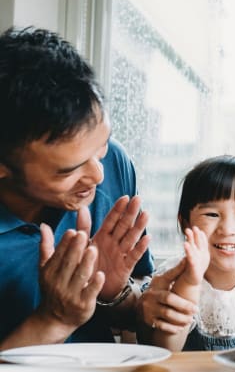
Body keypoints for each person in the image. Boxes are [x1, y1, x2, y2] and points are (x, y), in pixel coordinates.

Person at [0, 26, 154, 349]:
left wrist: (114, 292)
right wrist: (52, 320)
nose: (98, 175)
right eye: (68, 170)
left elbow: (136, 309)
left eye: (102, 146)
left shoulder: (115, 163)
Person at [138, 155, 235, 351]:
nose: (227, 229)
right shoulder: (171, 279)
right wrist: (189, 282)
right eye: (212, 214)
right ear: (185, 223)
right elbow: (167, 351)